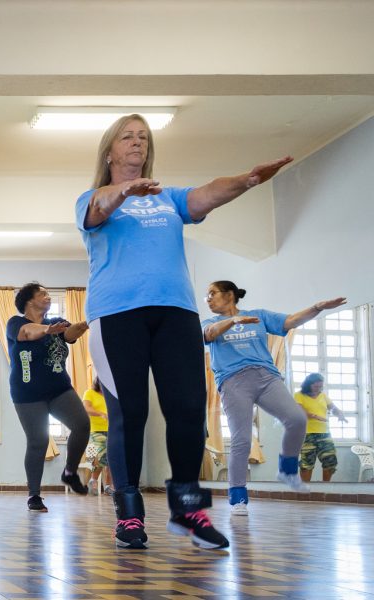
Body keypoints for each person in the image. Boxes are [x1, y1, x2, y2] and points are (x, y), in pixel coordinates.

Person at [77, 113, 291, 550]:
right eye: (127, 136)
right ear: (109, 151)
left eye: (143, 137)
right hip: (116, 314)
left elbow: (208, 193)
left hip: (176, 313)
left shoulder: (168, 198)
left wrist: (249, 179)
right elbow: (99, 209)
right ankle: (129, 514)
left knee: (190, 410)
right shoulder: (92, 197)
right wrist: (124, 192)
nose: (137, 142)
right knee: (129, 412)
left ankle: (189, 511)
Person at [203, 281, 345, 514]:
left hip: (266, 377)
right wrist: (233, 321)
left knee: (297, 419)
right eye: (206, 296)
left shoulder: (258, 315)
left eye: (212, 293)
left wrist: (317, 307)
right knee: (241, 439)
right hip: (233, 381)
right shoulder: (209, 322)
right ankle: (238, 497)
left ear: (229, 295)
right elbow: (209, 334)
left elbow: (290, 321)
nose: (208, 299)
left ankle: (287, 470)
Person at [6, 283, 91, 514]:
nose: (48, 296)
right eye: (42, 293)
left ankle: (70, 472)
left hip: (59, 388)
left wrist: (85, 323)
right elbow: (27, 333)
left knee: (82, 425)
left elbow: (70, 334)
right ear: (29, 300)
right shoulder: (15, 323)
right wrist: (47, 330)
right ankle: (34, 495)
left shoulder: (56, 322)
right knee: (38, 441)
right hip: (27, 393)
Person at [295, 373, 348, 482]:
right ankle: (305, 488)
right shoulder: (299, 395)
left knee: (330, 462)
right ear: (308, 384)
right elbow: (299, 411)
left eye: (320, 386)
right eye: (316, 386)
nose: (318, 389)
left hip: (324, 434)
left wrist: (339, 413)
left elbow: (333, 408)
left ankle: (325, 487)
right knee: (307, 464)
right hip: (306, 434)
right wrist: (314, 416)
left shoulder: (323, 395)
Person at [81, 377, 114, 495]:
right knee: (103, 454)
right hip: (96, 431)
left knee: (112, 457)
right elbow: (86, 408)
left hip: (112, 429)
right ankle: (93, 479)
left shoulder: (110, 395)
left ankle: (108, 486)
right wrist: (101, 414)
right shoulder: (89, 393)